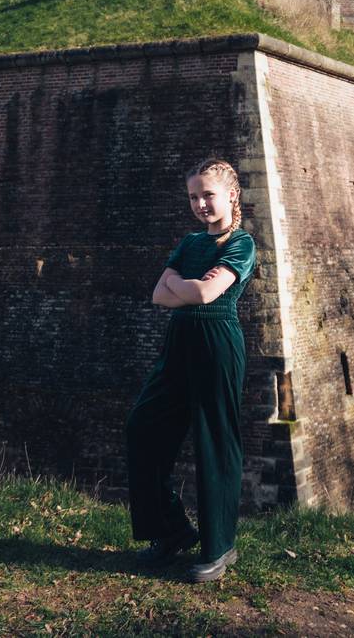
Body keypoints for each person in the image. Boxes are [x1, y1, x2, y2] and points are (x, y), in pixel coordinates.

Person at [125, 158, 257, 583]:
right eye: (193, 197)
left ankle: (219, 548)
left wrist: (182, 287)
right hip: (178, 344)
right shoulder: (189, 242)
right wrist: (188, 289)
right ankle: (170, 531)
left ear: (231, 195)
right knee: (142, 427)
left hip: (217, 343)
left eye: (208, 195)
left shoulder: (241, 244)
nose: (200, 203)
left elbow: (205, 293)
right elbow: (157, 296)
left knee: (213, 441)